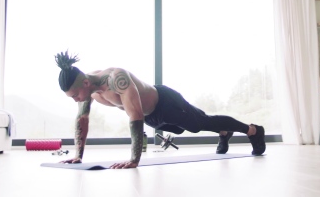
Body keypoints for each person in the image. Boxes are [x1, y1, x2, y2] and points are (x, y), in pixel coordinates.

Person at [54, 51, 266, 169]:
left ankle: (253, 131)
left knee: (201, 124)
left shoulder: (116, 78)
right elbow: (82, 121)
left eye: (74, 96)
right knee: (186, 129)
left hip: (166, 102)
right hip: (153, 117)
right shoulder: (88, 92)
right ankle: (223, 132)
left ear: (83, 83)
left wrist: (134, 160)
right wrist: (77, 156)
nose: (75, 101)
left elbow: (134, 115)